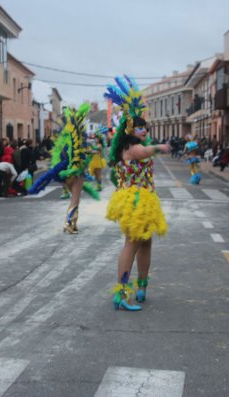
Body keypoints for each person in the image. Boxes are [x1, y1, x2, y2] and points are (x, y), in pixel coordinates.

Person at [104, 76, 169, 312]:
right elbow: (143, 152)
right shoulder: (131, 147)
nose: (144, 131)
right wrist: (159, 148)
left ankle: (142, 287)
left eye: (146, 128)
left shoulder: (130, 145)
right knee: (132, 243)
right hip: (134, 201)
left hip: (145, 199)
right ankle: (121, 293)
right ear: (132, 129)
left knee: (146, 243)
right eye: (140, 128)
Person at [28, 103, 100, 233]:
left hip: (63, 174)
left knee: (74, 198)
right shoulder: (76, 137)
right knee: (75, 199)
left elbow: (63, 155)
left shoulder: (63, 139)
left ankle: (73, 223)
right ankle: (68, 223)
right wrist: (90, 153)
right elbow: (77, 154)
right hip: (75, 173)